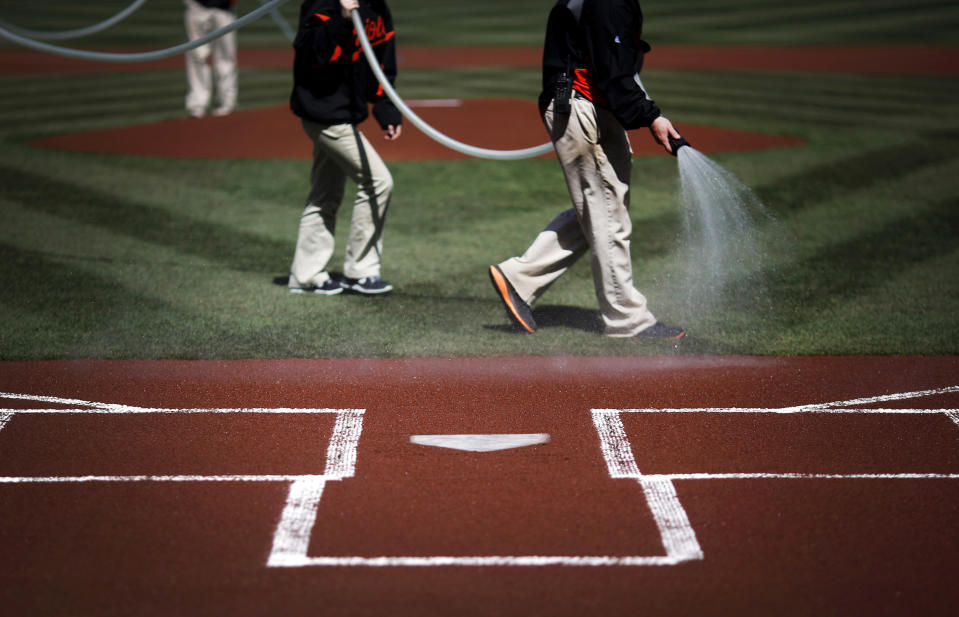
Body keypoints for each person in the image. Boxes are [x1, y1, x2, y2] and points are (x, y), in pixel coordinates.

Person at [488, 0, 685, 340]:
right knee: (608, 211)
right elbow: (613, 73)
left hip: (592, 103)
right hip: (581, 103)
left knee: (604, 206)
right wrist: (651, 117)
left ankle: (519, 279)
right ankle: (628, 320)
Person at [287, 0, 401, 296]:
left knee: (325, 193)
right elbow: (313, 54)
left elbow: (382, 59)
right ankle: (360, 271)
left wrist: (385, 106)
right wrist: (341, 17)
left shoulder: (377, 6)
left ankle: (306, 276)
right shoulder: (323, 3)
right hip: (324, 113)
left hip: (343, 114)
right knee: (378, 182)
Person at [183, 0, 238, 118]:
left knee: (225, 57)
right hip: (197, 6)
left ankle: (227, 103)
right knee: (198, 56)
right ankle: (198, 105)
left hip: (223, 9)